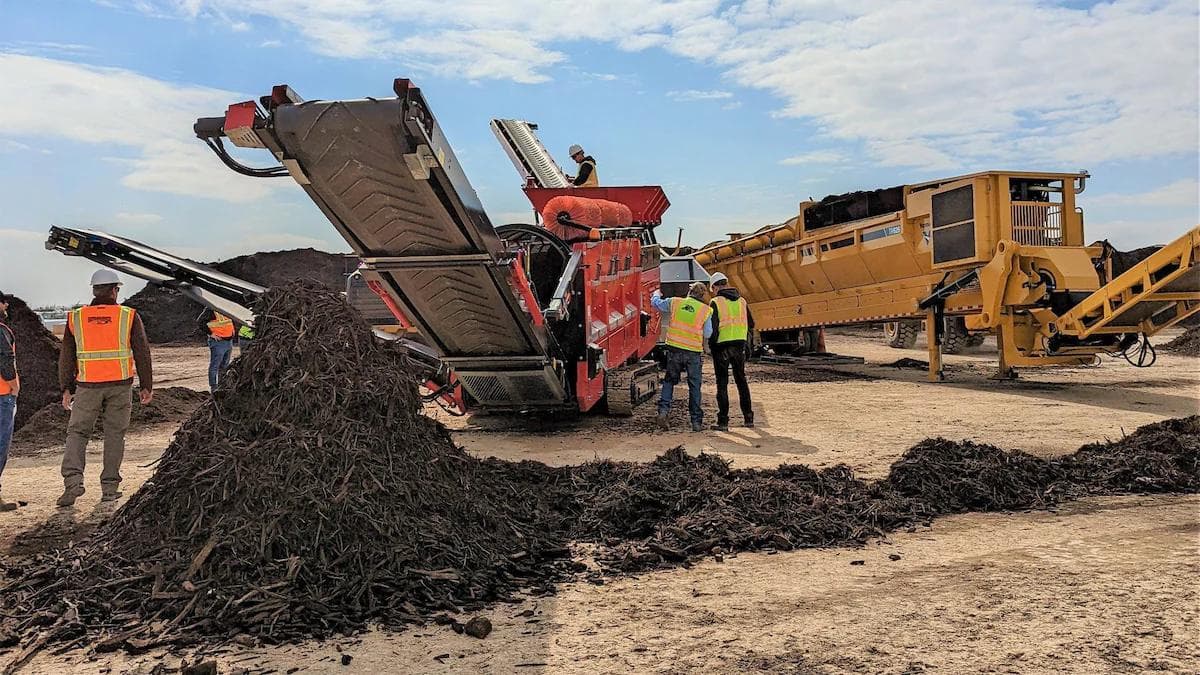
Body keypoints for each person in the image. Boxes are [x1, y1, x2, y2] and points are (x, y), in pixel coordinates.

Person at [57, 270, 153, 507]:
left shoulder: (76, 318)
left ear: (94, 291)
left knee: (77, 433)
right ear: (114, 290)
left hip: (87, 386)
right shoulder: (128, 316)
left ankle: (73, 482)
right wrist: (146, 385)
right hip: (120, 386)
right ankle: (110, 489)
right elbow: (142, 352)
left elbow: (66, 356)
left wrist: (66, 387)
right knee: (114, 435)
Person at [651, 281, 713, 432]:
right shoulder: (706, 311)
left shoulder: (675, 302)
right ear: (702, 294)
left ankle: (663, 412)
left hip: (674, 350)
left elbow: (656, 304)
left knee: (669, 381)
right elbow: (708, 333)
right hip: (693, 353)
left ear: (689, 291)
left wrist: (655, 294)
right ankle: (696, 422)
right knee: (694, 386)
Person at [708, 272, 755, 430]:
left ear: (714, 287)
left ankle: (723, 422)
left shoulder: (715, 302)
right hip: (739, 346)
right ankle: (748, 418)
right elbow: (752, 324)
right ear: (726, 283)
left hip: (721, 347)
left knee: (722, 384)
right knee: (741, 382)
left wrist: (711, 347)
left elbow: (713, 330)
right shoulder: (742, 301)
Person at [0, 291, 19, 511]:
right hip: (2, 394)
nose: (6, 307)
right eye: (3, 303)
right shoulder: (1, 331)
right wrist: (13, 386)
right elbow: (5, 358)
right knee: (1, 446)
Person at [197, 308, 235, 391]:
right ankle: (214, 387)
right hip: (218, 342)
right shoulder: (211, 310)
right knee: (215, 365)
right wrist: (211, 334)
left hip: (228, 341)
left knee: (225, 365)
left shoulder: (225, 309)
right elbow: (200, 322)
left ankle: (222, 386)